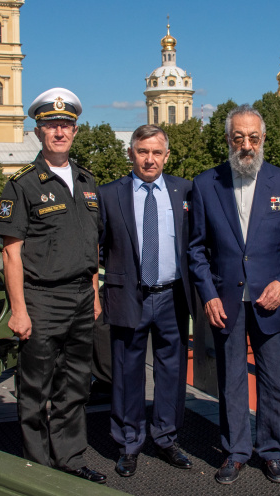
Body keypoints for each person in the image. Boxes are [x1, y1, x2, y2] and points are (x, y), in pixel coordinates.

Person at [0, 88, 105, 483]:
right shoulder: (22, 185)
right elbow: (12, 254)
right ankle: (37, 469)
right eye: (51, 125)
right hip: (41, 300)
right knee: (35, 387)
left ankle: (70, 460)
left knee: (75, 385)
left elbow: (91, 242)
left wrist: (92, 291)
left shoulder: (88, 182)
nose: (60, 132)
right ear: (38, 131)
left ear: (75, 130)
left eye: (66, 125)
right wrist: (19, 310)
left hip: (79, 297)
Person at [188, 104, 280, 485]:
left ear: (264, 138)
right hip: (225, 302)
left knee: (274, 380)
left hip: (272, 301)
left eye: (253, 137)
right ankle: (236, 451)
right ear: (227, 140)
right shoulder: (206, 184)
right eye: (238, 137)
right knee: (232, 380)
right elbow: (196, 250)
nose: (246, 145)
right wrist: (208, 294)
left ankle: (272, 451)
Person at [98, 124, 194, 477]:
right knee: (126, 372)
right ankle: (129, 442)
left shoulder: (185, 191)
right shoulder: (109, 195)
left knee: (172, 371)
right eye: (142, 151)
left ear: (167, 156)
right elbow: (98, 246)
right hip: (130, 296)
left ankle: (167, 438)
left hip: (172, 296)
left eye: (156, 152)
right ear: (131, 154)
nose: (149, 159)